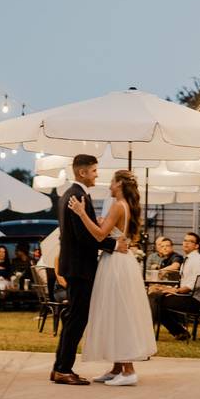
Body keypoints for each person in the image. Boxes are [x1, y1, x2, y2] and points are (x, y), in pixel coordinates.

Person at [68, 169, 157, 386]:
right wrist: (102, 222)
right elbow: (111, 231)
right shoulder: (124, 206)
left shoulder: (118, 205)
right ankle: (117, 368)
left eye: (111, 181)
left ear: (119, 184)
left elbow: (99, 235)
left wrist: (81, 213)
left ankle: (128, 371)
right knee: (115, 311)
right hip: (119, 261)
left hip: (115, 263)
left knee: (119, 312)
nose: (108, 184)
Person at [50, 154, 129, 386]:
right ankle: (64, 369)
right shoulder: (76, 196)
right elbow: (85, 236)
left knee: (72, 316)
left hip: (75, 266)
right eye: (94, 170)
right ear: (82, 172)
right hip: (80, 267)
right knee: (77, 317)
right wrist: (114, 245)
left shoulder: (72, 195)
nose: (97, 174)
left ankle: (59, 368)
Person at [147, 232, 200, 340]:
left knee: (155, 299)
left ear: (196, 246)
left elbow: (195, 285)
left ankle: (149, 333)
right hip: (186, 296)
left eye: (190, 241)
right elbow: (184, 283)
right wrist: (168, 289)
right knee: (156, 296)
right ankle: (180, 332)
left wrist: (176, 291)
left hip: (193, 300)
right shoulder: (189, 259)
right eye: (185, 240)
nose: (186, 243)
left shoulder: (198, 260)